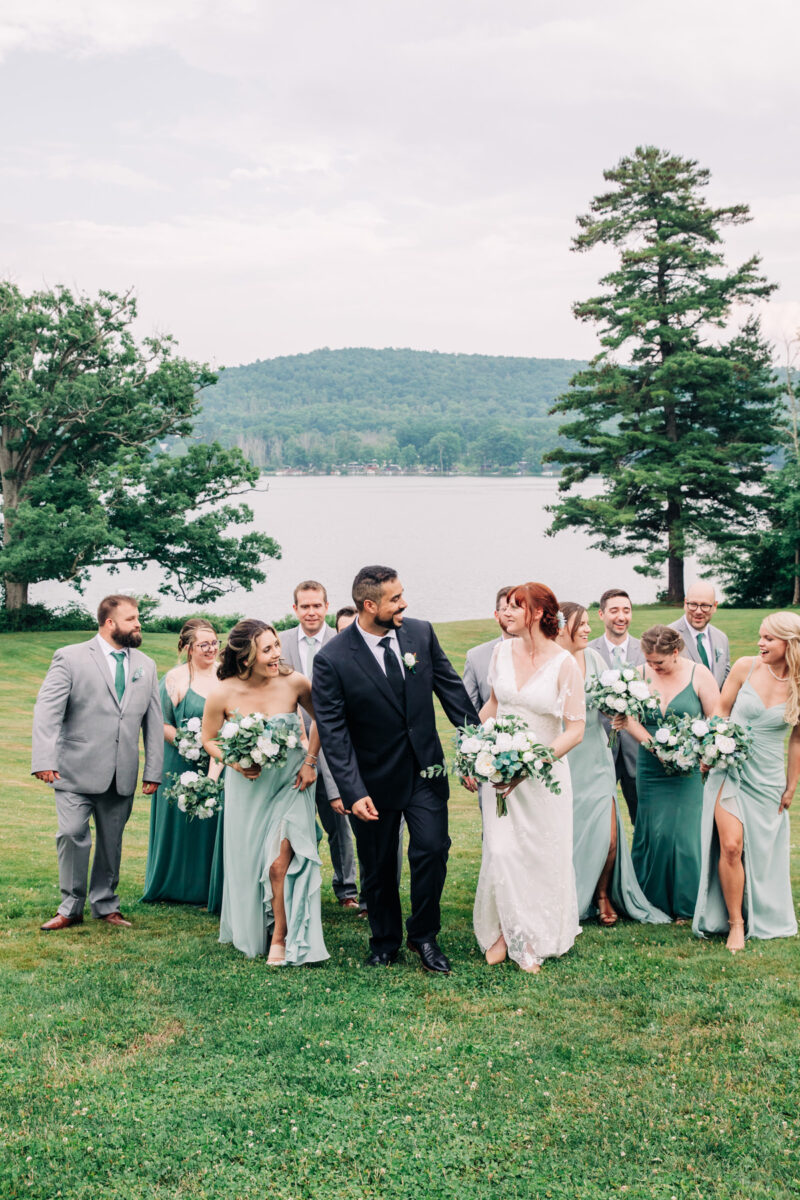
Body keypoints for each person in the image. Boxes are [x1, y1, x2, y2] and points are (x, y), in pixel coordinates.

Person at [312, 565, 479, 974]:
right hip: (371, 781)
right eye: (395, 598)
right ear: (370, 605)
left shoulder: (420, 633)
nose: (404, 603)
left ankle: (424, 936)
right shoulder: (332, 659)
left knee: (433, 849)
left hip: (426, 772)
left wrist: (480, 747)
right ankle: (384, 941)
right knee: (379, 865)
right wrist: (352, 791)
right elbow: (333, 734)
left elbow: (452, 691)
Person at [32, 595, 163, 931]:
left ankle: (106, 904)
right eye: (132, 619)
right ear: (109, 623)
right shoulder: (71, 657)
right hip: (73, 769)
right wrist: (43, 759)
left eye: (138, 618)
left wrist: (153, 770)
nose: (138, 624)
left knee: (111, 842)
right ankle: (70, 907)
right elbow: (48, 711)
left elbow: (153, 720)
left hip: (122, 773)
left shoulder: (146, 665)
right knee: (72, 833)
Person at [202, 620, 328, 965]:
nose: (277, 654)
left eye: (277, 645)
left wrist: (311, 761)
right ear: (246, 658)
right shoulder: (223, 692)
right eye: (268, 649)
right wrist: (236, 762)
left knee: (278, 865)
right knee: (252, 863)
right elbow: (209, 739)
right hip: (249, 789)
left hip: (292, 784)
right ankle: (262, 925)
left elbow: (324, 718)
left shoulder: (296, 682)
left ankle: (281, 936)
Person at [473, 583, 585, 973]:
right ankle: (507, 931)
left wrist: (532, 763)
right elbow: (492, 705)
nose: (505, 614)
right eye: (504, 608)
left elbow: (574, 729)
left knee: (539, 854)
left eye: (514, 608)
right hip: (500, 769)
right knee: (502, 850)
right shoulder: (501, 652)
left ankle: (531, 936)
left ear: (536, 614)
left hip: (543, 776)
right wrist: (473, 746)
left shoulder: (564, 664)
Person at [556, 603, 669, 928]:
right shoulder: (553, 662)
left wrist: (620, 709)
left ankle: (603, 893)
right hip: (564, 756)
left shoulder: (594, 658)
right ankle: (571, 895)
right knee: (569, 833)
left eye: (589, 623)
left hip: (597, 756)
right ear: (563, 627)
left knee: (609, 839)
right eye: (581, 624)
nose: (588, 630)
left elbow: (607, 701)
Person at [693, 612, 800, 951]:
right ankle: (735, 922)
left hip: (768, 775)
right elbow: (721, 711)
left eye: (769, 638)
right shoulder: (745, 667)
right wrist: (711, 751)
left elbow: (797, 739)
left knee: (762, 852)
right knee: (731, 846)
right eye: (760, 636)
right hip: (730, 768)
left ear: (789, 643)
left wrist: (791, 784)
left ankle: (760, 912)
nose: (760, 643)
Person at [611, 626, 719, 921]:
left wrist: (695, 752)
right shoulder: (638, 674)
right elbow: (626, 719)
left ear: (676, 652)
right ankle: (649, 900)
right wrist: (655, 748)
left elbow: (716, 720)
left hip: (689, 769)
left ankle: (687, 904)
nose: (653, 667)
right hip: (651, 765)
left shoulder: (700, 675)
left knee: (685, 835)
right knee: (653, 831)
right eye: (649, 661)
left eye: (659, 662)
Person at [280, 580, 359, 910]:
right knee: (288, 823)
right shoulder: (280, 642)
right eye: (304, 606)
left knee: (339, 822)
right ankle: (292, 885)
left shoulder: (343, 642)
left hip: (337, 747)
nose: (311, 611)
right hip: (288, 747)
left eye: (317, 605)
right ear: (295, 608)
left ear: (326, 607)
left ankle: (348, 889)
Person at [141, 619, 223, 907]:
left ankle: (207, 886)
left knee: (211, 823)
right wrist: (185, 741)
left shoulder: (226, 677)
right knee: (178, 822)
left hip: (219, 763)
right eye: (204, 645)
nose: (211, 649)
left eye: (215, 643)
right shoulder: (174, 679)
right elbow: (160, 722)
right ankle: (172, 885)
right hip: (179, 762)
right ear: (189, 648)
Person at [587, 589, 644, 825]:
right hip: (598, 748)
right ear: (601, 614)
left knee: (642, 819)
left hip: (637, 747)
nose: (621, 617)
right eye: (614, 611)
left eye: (626, 610)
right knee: (599, 820)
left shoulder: (646, 651)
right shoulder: (588, 652)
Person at [462, 586, 514, 711]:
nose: (510, 614)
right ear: (496, 615)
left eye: (516, 608)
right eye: (505, 609)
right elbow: (469, 714)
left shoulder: (542, 654)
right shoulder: (475, 657)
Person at [670, 582, 730, 686]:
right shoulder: (668, 636)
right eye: (693, 604)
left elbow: (726, 679)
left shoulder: (721, 638)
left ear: (715, 606)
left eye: (705, 605)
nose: (698, 611)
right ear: (685, 603)